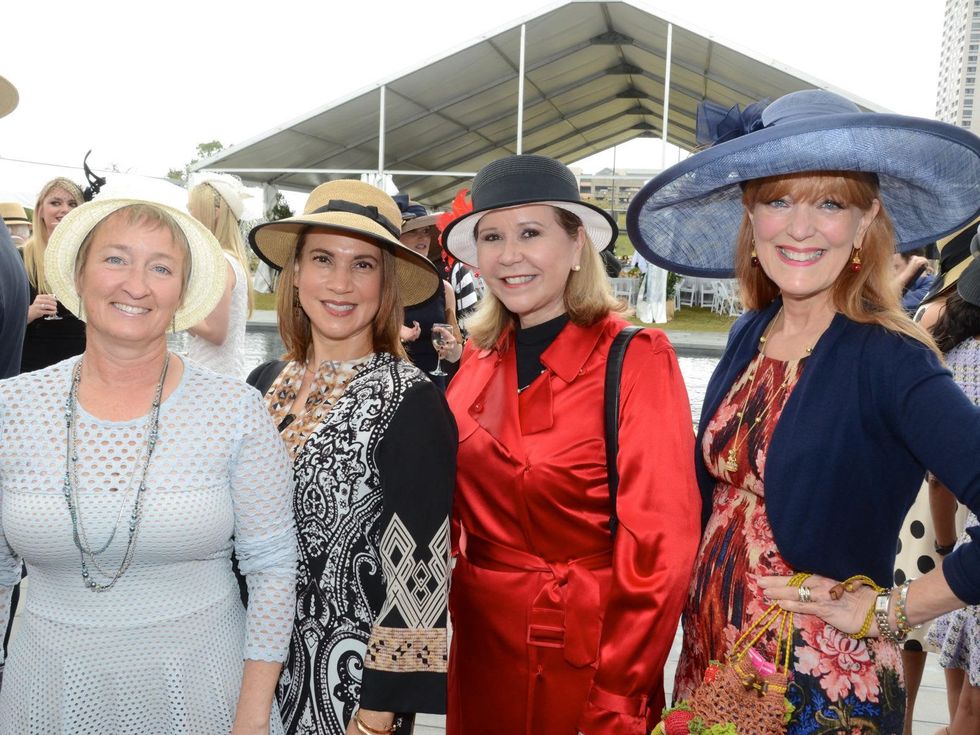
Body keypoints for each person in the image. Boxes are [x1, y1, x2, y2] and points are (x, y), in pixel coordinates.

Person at [628, 89, 980, 733]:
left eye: (830, 204)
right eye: (778, 200)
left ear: (866, 222)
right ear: (751, 215)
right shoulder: (751, 331)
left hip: (817, 683)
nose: (799, 227)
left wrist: (892, 611)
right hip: (713, 655)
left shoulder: (892, 357)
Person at [0, 198, 297, 733]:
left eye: (161, 268)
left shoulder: (235, 410)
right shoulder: (11, 408)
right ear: (78, 275)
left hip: (205, 695)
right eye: (115, 259)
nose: (136, 285)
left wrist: (253, 715)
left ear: (181, 293)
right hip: (48, 694)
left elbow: (273, 567)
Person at [440, 154, 701, 734]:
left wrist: (619, 693)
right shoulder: (479, 359)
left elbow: (662, 547)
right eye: (492, 237)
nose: (510, 255)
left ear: (577, 243)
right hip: (481, 646)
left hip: (587, 656)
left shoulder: (635, 359)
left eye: (530, 233)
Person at [247, 180, 456, 735]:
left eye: (363, 265)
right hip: (244, 672)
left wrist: (375, 721)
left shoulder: (411, 400)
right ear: (295, 273)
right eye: (323, 259)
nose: (341, 283)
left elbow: (421, 577)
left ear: (386, 286)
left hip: (345, 695)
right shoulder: (261, 383)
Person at [924, 257, 980, 735]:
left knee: (965, 701)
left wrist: (945, 546)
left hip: (960, 529)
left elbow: (939, 478)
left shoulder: (951, 353)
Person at [186, 175, 254, 379]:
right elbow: (199, 331)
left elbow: (216, 334)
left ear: (216, 212)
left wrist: (173, 310)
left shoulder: (221, 262)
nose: (189, 215)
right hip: (217, 374)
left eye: (193, 209)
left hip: (214, 379)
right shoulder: (228, 260)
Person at [20, 177, 86, 373]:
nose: (64, 209)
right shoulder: (20, 259)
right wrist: (29, 313)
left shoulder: (90, 258)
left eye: (72, 204)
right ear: (40, 210)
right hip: (33, 367)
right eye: (55, 203)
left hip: (80, 365)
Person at [396, 198, 463, 389]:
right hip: (390, 387)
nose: (423, 238)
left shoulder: (444, 288)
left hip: (432, 388)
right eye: (413, 231)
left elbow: (456, 353)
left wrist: (451, 348)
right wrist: (393, 331)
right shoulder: (379, 286)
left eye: (426, 231)